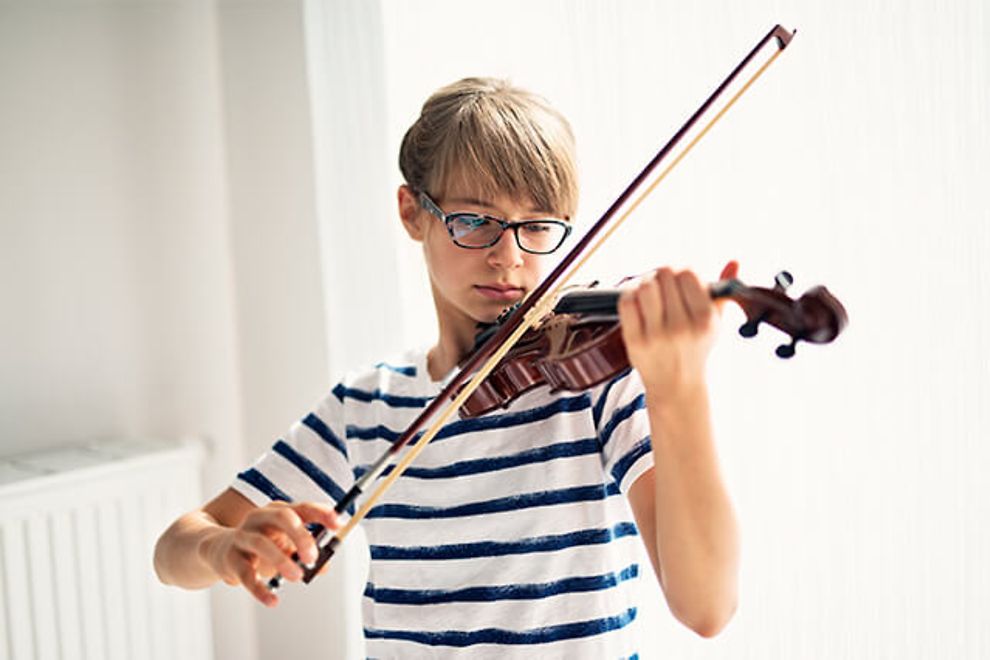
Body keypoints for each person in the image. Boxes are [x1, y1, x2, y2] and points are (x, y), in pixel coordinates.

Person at [154, 77, 739, 657]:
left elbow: (706, 607)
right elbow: (174, 549)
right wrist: (223, 547)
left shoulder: (597, 386)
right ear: (413, 212)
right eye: (475, 220)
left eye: (537, 225)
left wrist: (679, 389)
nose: (508, 256)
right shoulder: (367, 406)